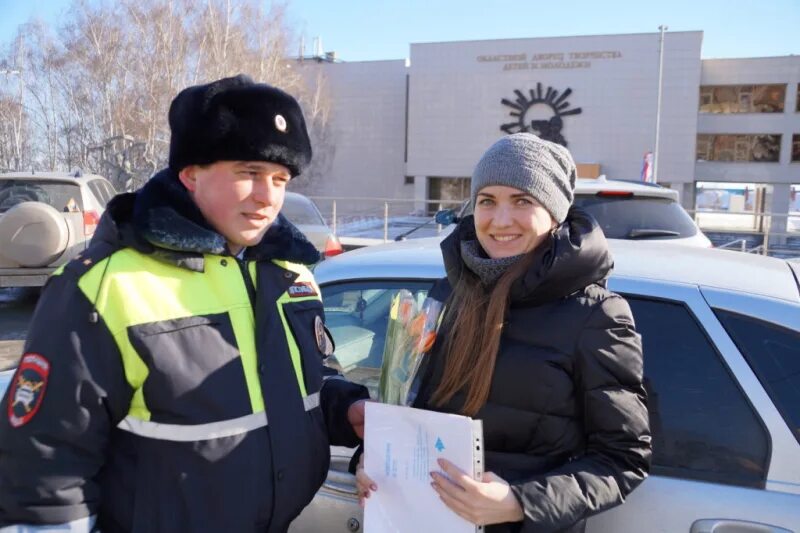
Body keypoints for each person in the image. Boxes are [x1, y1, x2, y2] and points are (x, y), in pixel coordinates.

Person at [0, 75, 369, 533]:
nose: (267, 196)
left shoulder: (289, 273)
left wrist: (342, 407)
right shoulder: (106, 285)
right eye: (248, 173)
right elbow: (46, 464)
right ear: (190, 173)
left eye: (280, 178)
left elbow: (295, 382)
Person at [357, 133, 651, 532]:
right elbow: (414, 406)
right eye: (487, 201)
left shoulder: (596, 315)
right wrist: (373, 461)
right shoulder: (450, 294)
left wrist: (518, 503)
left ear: (555, 213)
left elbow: (623, 459)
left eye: (523, 201)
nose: (500, 220)